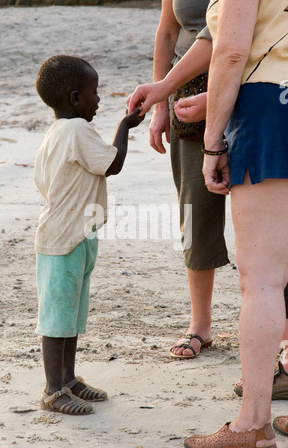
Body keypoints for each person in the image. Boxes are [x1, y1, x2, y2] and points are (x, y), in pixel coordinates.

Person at [128, 0, 288, 448]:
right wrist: (187, 91)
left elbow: (232, 50)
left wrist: (215, 140)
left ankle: (252, 425)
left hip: (272, 105)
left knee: (262, 280)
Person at [34, 55, 144, 415]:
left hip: (72, 234)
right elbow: (112, 164)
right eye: (95, 93)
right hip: (64, 239)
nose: (99, 100)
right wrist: (126, 125)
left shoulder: (55, 133)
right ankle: (53, 390)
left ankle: (68, 380)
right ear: (75, 98)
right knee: (57, 318)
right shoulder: (77, 130)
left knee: (70, 314)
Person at [149, 0, 229, 360]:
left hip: (250, 85)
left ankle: (281, 330)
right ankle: (200, 325)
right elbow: (168, 32)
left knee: (267, 216)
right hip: (187, 91)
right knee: (195, 211)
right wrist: (160, 103)